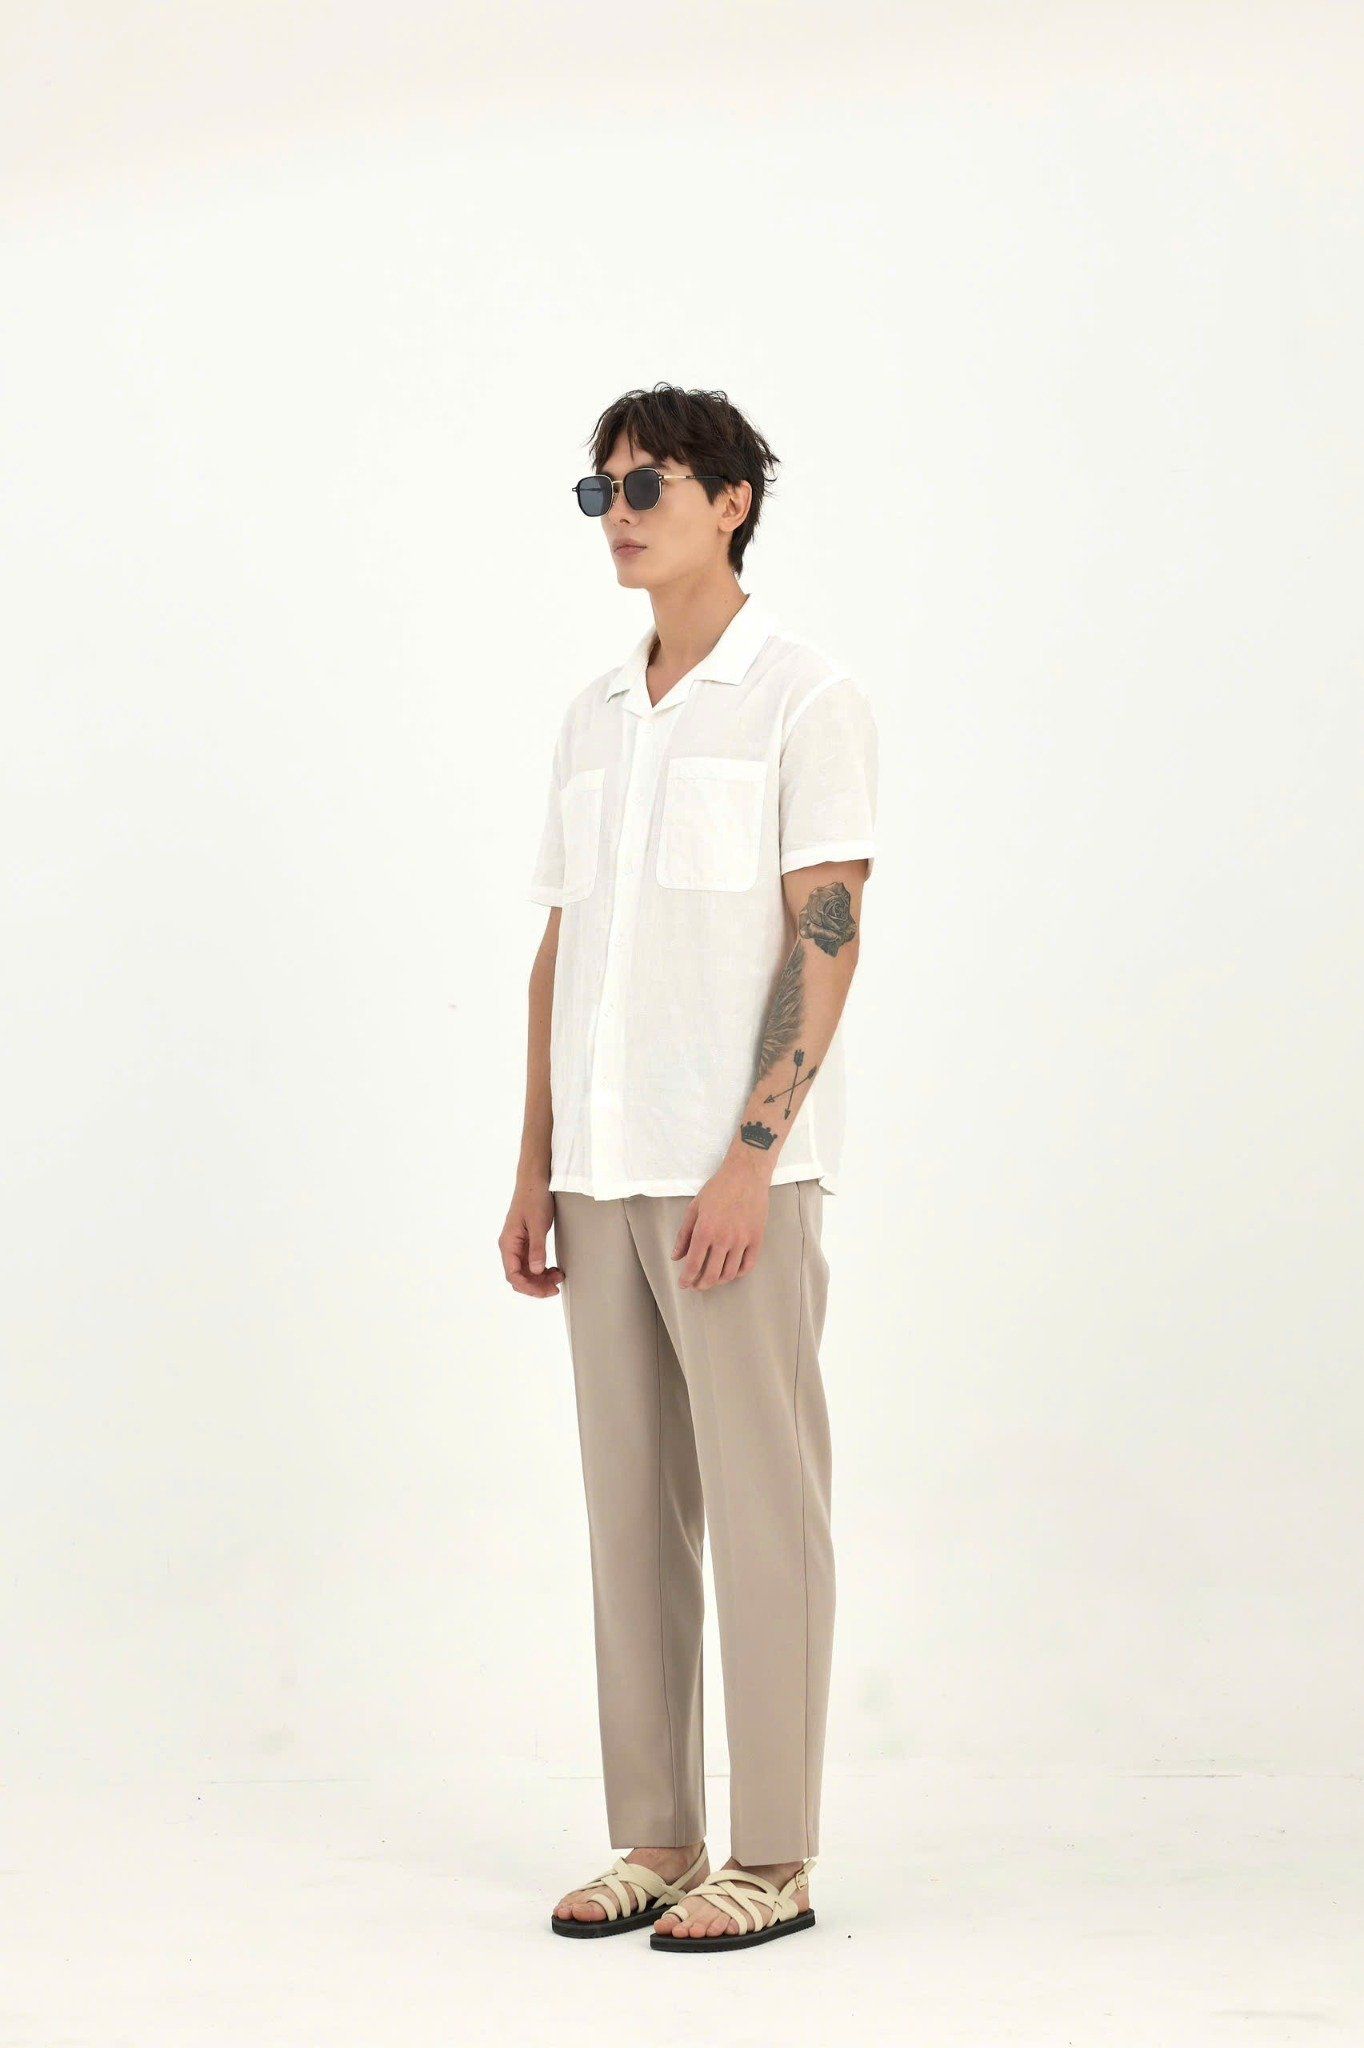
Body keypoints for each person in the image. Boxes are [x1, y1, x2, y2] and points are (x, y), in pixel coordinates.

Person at [500, 382, 877, 1952]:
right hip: (600, 1176)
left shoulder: (803, 697)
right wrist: (534, 1163)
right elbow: (563, 949)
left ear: (731, 500)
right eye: (602, 491)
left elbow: (826, 927)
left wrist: (751, 1155)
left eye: (647, 483)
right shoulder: (593, 715)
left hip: (738, 1183)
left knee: (764, 1507)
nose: (621, 512)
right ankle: (657, 1834)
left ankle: (774, 1857)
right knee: (630, 1514)